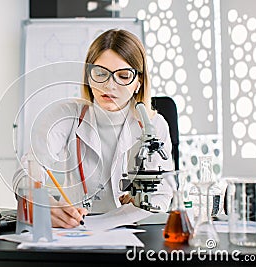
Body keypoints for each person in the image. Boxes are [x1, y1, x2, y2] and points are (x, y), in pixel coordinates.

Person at [13, 29, 173, 228]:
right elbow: (27, 171)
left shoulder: (154, 125)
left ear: (138, 82)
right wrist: (40, 203)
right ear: (89, 76)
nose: (110, 85)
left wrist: (145, 201)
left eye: (123, 76)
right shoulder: (65, 116)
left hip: (135, 231)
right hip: (77, 229)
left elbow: (164, 193)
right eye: (100, 74)